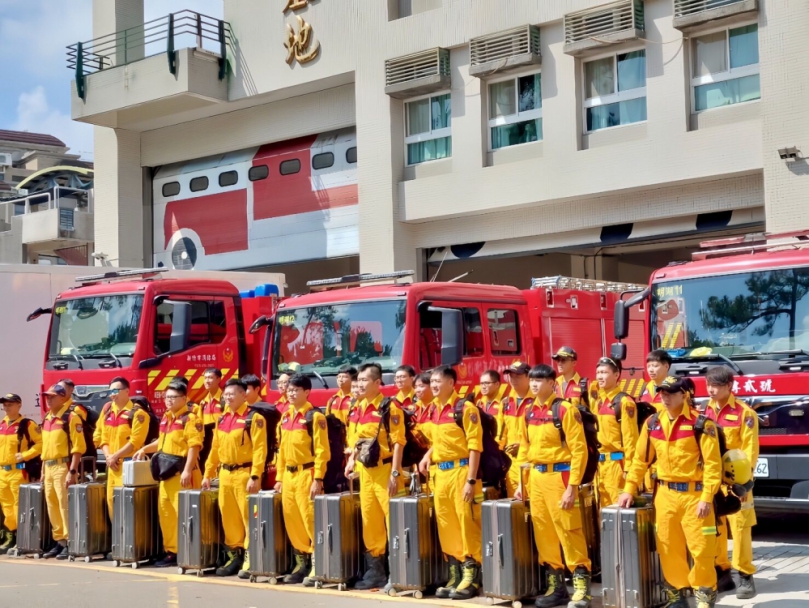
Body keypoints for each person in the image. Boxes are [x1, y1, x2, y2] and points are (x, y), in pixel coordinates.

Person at [619, 376, 722, 608]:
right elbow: (639, 460)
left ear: (684, 395)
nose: (664, 397)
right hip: (664, 495)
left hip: (695, 496)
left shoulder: (701, 425)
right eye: (662, 392)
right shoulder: (652, 423)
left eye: (670, 393)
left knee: (702, 549)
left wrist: (707, 497)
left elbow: (713, 466)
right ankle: (677, 594)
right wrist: (629, 489)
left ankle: (704, 593)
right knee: (667, 547)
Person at [514, 364, 592, 608]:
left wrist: (573, 486)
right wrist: (521, 482)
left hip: (561, 477)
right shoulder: (528, 411)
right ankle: (556, 587)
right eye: (533, 380)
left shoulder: (565, 409)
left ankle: (581, 588)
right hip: (536, 478)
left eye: (541, 380)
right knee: (543, 532)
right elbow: (524, 450)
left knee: (569, 531)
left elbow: (579, 450)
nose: (535, 384)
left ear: (552, 383)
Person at [418, 365, 483, 600]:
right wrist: (428, 456)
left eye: (438, 381)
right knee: (446, 525)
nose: (433, 384)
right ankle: (455, 572)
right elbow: (439, 440)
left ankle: (472, 575)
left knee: (466, 523)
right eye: (431, 381)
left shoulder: (464, 408)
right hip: (440, 475)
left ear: (451, 384)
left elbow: (475, 446)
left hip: (461, 472)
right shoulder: (433, 409)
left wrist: (471, 479)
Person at [344, 363, 406, 590]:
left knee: (393, 522)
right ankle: (376, 572)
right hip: (365, 473)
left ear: (377, 383)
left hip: (385, 470)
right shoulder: (358, 408)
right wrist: (351, 460)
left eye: (364, 380)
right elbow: (357, 441)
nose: (360, 384)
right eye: (358, 380)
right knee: (370, 522)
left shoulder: (388, 408)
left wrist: (395, 473)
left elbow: (399, 442)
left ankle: (398, 573)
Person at [133, 380, 202, 568]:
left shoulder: (190, 419)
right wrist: (144, 449)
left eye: (173, 397)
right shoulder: (165, 418)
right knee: (166, 514)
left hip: (181, 474)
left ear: (184, 399)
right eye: (167, 397)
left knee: (184, 515)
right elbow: (161, 443)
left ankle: (187, 551)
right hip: (165, 475)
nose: (169, 401)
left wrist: (187, 470)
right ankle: (171, 551)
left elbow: (194, 446)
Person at [202, 378, 268, 577]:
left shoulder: (253, 418)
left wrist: (255, 475)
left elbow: (260, 449)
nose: (228, 398)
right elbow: (214, 449)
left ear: (243, 395)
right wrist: (207, 473)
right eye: (226, 395)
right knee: (229, 517)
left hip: (244, 474)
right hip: (225, 474)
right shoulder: (222, 419)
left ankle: (251, 557)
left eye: (232, 394)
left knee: (248, 517)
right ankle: (234, 556)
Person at [703, 367, 759, 600]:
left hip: (736, 482)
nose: (711, 390)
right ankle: (722, 573)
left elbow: (750, 451)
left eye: (716, 386)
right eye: (708, 385)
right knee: (715, 529)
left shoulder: (744, 414)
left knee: (740, 529)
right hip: (713, 481)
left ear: (729, 387)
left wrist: (745, 484)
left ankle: (745, 575)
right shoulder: (705, 410)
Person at [274, 374, 330, 586]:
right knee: (292, 519)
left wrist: (318, 478)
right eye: (289, 389)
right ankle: (301, 562)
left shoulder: (314, 417)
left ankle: (318, 563)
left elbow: (322, 451)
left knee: (310, 519)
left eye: (296, 390)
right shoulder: (285, 416)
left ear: (307, 392)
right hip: (288, 476)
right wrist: (279, 478)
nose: (291, 393)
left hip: (307, 474)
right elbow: (280, 450)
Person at [40, 384, 87, 559]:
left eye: (52, 396)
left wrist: (72, 470)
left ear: (62, 398)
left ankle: (69, 540)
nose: (48, 399)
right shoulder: (47, 418)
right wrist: (43, 470)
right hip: (49, 466)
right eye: (47, 396)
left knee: (64, 505)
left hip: (63, 466)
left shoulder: (70, 417)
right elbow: (45, 447)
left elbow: (78, 447)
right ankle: (59, 540)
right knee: (52, 505)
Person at [100, 377, 150, 523]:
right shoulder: (108, 412)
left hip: (128, 467)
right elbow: (103, 439)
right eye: (110, 391)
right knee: (111, 503)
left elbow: (135, 441)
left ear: (127, 391)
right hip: (112, 466)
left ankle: (130, 542)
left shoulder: (138, 414)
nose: (112, 394)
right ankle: (117, 542)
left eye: (115, 390)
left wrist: (114, 456)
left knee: (128, 506)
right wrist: (109, 457)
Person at [592, 357, 638, 508]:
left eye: (604, 372)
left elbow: (631, 439)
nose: (599, 376)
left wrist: (629, 470)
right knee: (602, 515)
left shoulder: (624, 402)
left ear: (616, 374)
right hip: (600, 467)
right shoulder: (598, 401)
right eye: (598, 372)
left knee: (618, 513)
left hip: (618, 466)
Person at [0, 394, 42, 554]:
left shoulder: (27, 424)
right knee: (6, 506)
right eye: (5, 404)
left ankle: (21, 539)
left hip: (18, 471)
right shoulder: (2, 424)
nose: (7, 407)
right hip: (2, 472)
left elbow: (40, 443)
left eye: (10, 404)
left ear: (19, 405)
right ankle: (10, 535)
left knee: (19, 505)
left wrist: (25, 455)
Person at [502, 362, 534, 497]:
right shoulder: (505, 402)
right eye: (511, 376)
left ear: (528, 377)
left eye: (518, 376)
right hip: (511, 464)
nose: (513, 379)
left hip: (531, 462)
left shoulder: (537, 401)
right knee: (514, 509)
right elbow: (501, 434)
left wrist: (521, 446)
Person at [196, 368, 223, 471]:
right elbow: (198, 426)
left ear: (218, 379)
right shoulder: (203, 403)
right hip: (207, 446)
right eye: (205, 378)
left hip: (221, 443)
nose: (207, 381)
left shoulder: (225, 400)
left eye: (210, 378)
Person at [475, 370, 505, 448]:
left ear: (497, 384)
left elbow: (504, 431)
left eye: (487, 383)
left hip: (498, 448)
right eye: (481, 383)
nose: (483, 386)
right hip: (482, 447)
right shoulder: (479, 403)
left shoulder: (504, 403)